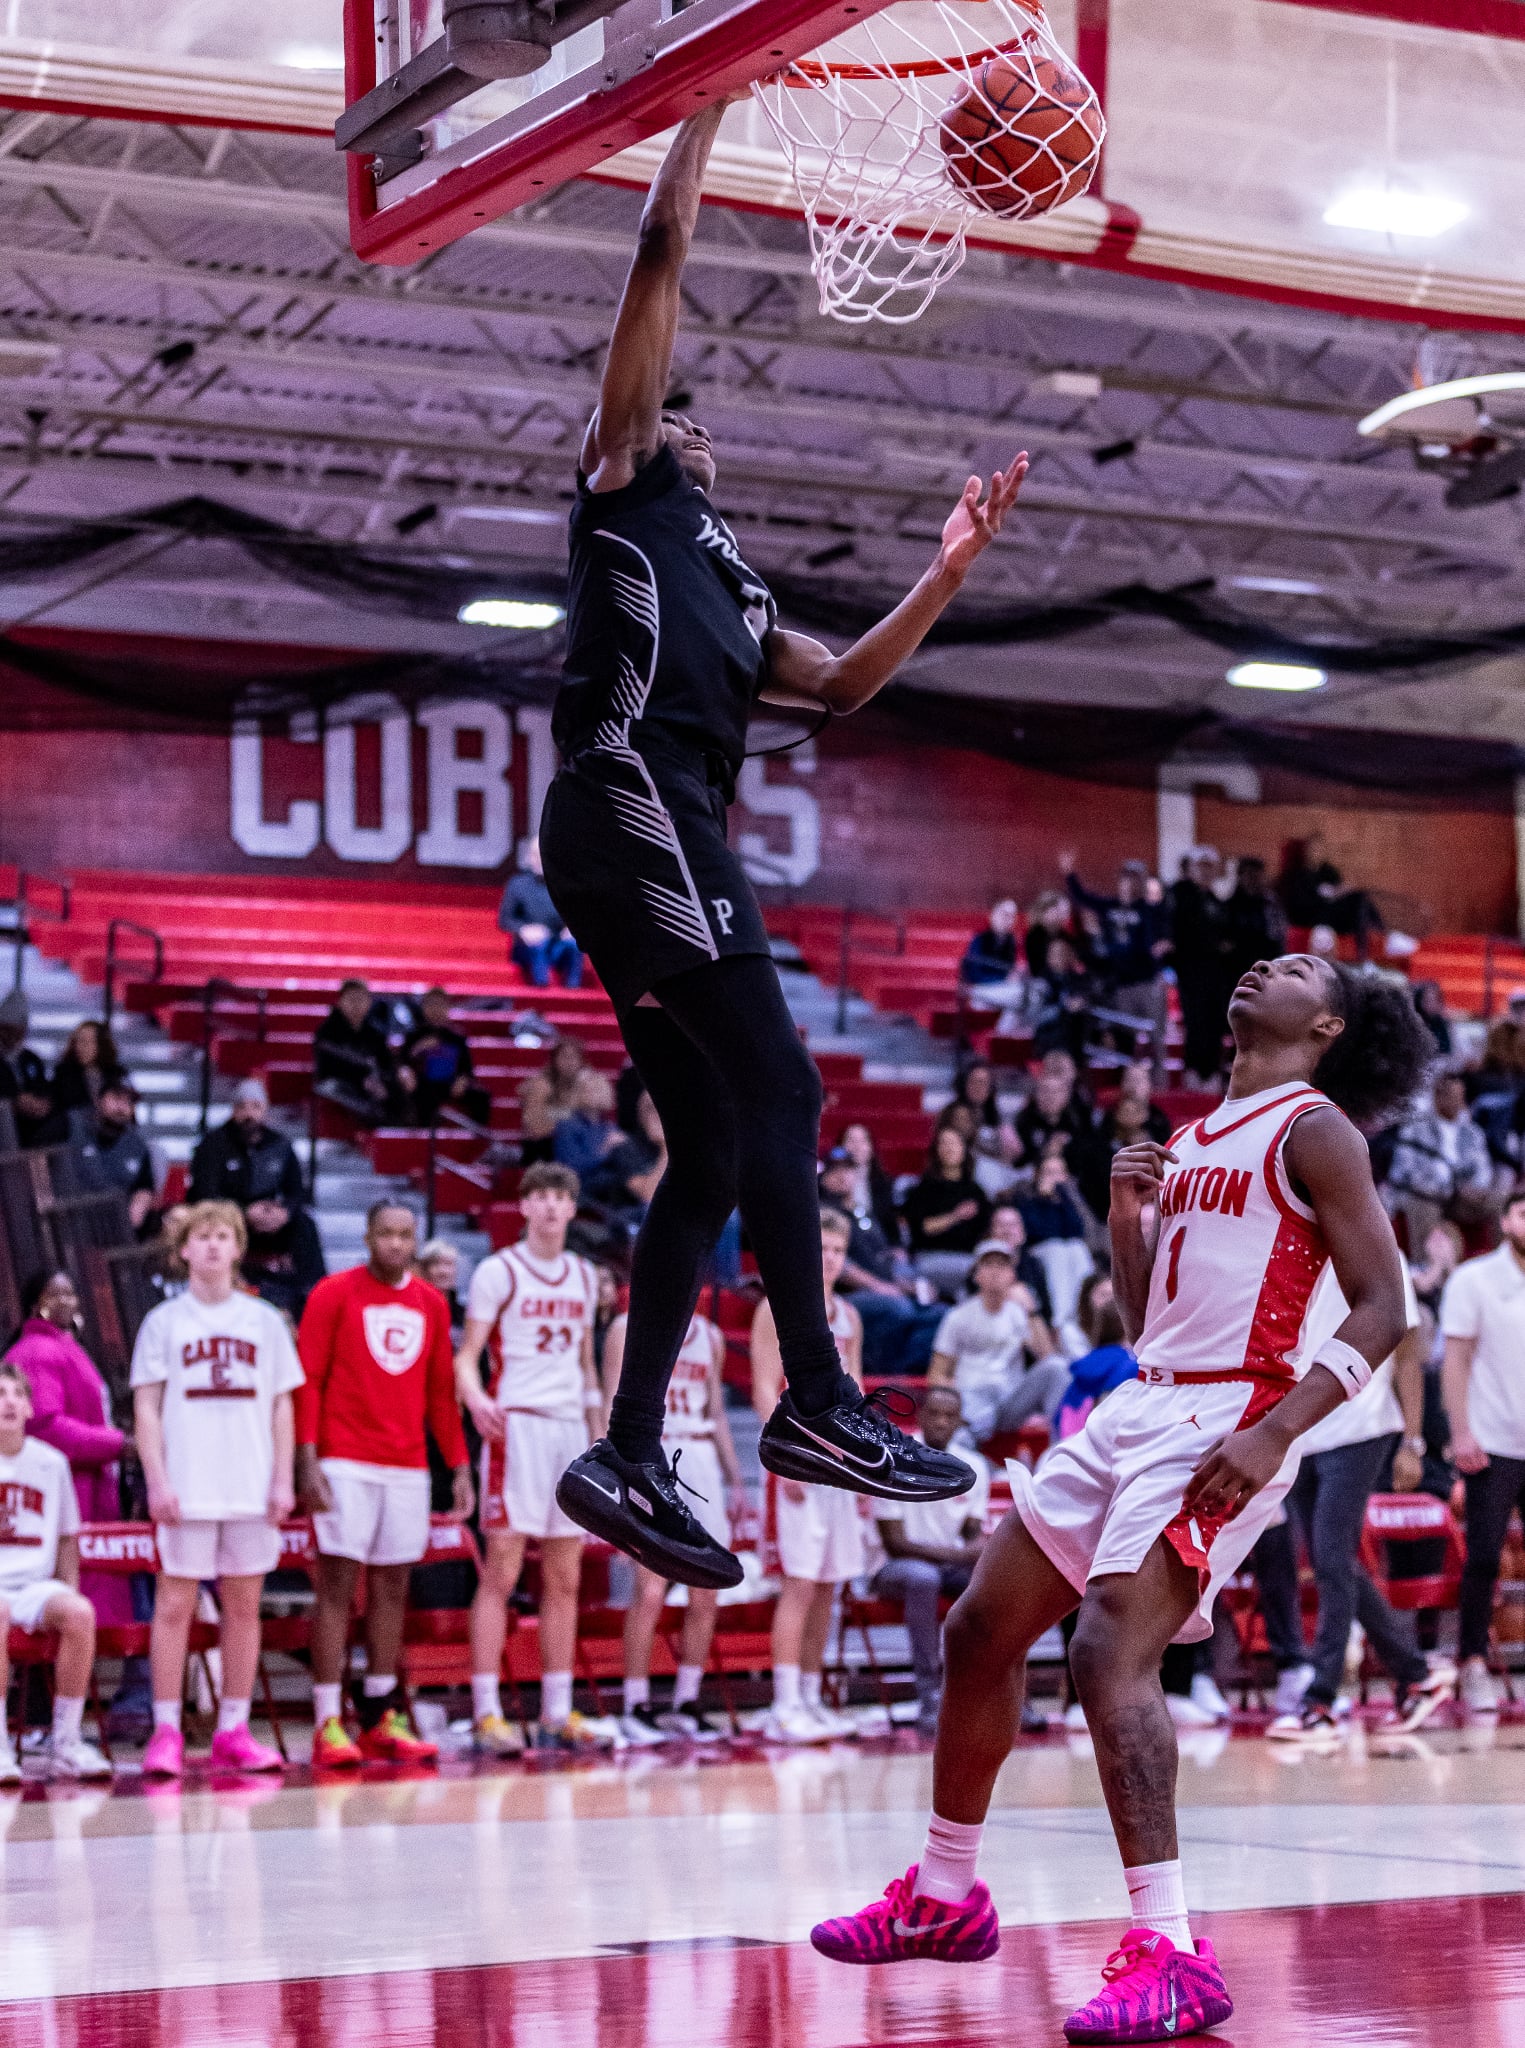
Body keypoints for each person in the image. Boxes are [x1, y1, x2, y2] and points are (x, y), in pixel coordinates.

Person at [811, 950, 1431, 2044]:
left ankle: (1171, 1950)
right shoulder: (1190, 1137)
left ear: (1327, 1025)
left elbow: (1385, 1304)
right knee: (979, 1628)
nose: (1261, 965)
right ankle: (944, 1894)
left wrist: (1275, 1431)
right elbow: (1147, 1327)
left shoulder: (1315, 1129)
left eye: (1294, 967)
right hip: (1144, 1400)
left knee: (1108, 1649)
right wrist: (1122, 1216)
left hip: (1232, 1411)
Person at [543, 108, 1002, 1585]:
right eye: (669, 408)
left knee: (716, 1144)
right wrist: (707, 94)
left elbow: (846, 683)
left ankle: (627, 1449)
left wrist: (944, 573)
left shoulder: (736, 588)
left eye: (692, 419)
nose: (688, 419)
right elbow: (660, 249)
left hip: (653, 824)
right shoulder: (624, 482)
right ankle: (814, 1396)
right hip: (630, 796)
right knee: (788, 1088)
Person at [295, 1201, 473, 1769]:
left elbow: (441, 1391)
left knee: (394, 1588)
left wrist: (460, 1464)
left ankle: (379, 1712)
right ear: (368, 1237)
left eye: (405, 1235)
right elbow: (308, 1380)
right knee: (337, 1589)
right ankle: (327, 1721)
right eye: (386, 1234)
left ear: (414, 1240)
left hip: (407, 1464)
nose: (396, 1243)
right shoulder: (332, 1293)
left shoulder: (431, 1303)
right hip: (344, 1459)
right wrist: (307, 1458)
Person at [130, 1201, 303, 1779]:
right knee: (174, 1606)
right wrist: (157, 1479)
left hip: (250, 1482)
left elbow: (282, 1405)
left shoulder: (265, 1321)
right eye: (201, 1236)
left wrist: (283, 1478)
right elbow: (147, 1408)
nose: (211, 1245)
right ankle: (166, 1730)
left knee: (244, 1607)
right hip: (187, 1483)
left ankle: (233, 1728)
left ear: (238, 1248)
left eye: (222, 1236)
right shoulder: (163, 1322)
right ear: (183, 1249)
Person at [455, 1163, 607, 1753]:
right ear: (522, 1206)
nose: (548, 1206)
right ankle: (487, 1712)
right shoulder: (500, 1270)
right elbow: (467, 1355)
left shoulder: (584, 1275)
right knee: (503, 1570)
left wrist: (599, 1437)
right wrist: (476, 1399)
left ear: (571, 1208)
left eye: (558, 1196)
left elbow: (587, 1365)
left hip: (568, 1429)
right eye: (538, 1196)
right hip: (516, 1427)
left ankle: (556, 1712)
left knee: (565, 1576)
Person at [1268, 1261, 1451, 1742]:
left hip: (1361, 1426)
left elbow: (1407, 1353)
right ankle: (1416, 1676)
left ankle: (1320, 1701)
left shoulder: (1376, 1247)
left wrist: (1413, 1442)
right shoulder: (1286, 1244)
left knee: (1331, 1557)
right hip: (1299, 1429)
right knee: (1334, 1562)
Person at [752, 1211, 868, 1745]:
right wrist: (784, 1454)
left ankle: (811, 1697)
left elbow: (856, 1395)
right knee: (798, 1584)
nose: (831, 1258)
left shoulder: (849, 1316)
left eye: (839, 1250)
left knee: (828, 1585)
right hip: (798, 1458)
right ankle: (784, 1705)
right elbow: (762, 1388)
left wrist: (863, 1468)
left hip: (839, 1466)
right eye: (823, 1247)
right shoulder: (773, 1308)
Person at [606, 1303, 743, 1744]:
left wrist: (735, 1480)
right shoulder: (627, 1327)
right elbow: (610, 1408)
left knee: (707, 1589)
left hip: (700, 1457)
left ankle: (686, 1701)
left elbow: (716, 1413)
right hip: (654, 1457)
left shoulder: (711, 1337)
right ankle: (635, 1703)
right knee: (649, 1591)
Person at [0, 1360, 112, 1782]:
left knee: (81, 1613)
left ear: (31, 1409)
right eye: (1, 1394)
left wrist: (69, 1590)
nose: (10, 1403)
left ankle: (66, 1740)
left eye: (18, 1394)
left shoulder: (52, 1463)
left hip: (36, 1586)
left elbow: (67, 1538)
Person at [1440, 1190, 1525, 1715]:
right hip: (1492, 1442)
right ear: (1505, 1221)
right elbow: (1455, 1361)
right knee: (1485, 1557)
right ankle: (1471, 1662)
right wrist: (1461, 1432)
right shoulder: (1474, 1279)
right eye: (1523, 1212)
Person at [9, 1272, 130, 1635]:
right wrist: (119, 1444)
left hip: (87, 1487)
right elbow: (46, 1427)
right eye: (55, 1294)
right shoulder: (37, 1352)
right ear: (36, 1303)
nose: (66, 1301)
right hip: (68, 1491)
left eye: (70, 1293)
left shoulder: (63, 1346)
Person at [870, 1384, 989, 1732]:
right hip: (889, 1569)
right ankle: (930, 1696)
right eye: (934, 1414)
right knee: (924, 1578)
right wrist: (957, 1554)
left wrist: (978, 1547)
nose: (940, 1422)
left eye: (949, 1416)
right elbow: (894, 1543)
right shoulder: (892, 1458)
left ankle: (998, 1693)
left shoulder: (974, 1465)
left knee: (990, 1582)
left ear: (959, 1422)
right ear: (920, 1416)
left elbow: (971, 1531)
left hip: (946, 1565)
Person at [188, 1078, 325, 1319]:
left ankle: (314, 1295)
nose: (249, 1114)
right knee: (214, 1224)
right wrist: (244, 1211)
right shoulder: (213, 1144)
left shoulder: (280, 1145)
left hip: (270, 1223)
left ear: (266, 1110)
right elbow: (204, 1193)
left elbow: (298, 1192)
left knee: (305, 1224)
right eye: (242, 1107)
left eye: (255, 1106)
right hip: (229, 1219)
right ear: (233, 1110)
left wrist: (284, 1212)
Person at [819, 1147, 942, 1378]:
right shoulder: (824, 1214)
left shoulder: (862, 1212)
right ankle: (879, 1371)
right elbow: (837, 1263)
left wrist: (909, 1286)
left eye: (847, 1170)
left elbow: (884, 1257)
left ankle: (903, 1371)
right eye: (835, 1171)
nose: (842, 1176)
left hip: (886, 1285)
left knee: (938, 1314)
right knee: (898, 1309)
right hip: (845, 1293)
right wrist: (880, 1287)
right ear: (824, 1177)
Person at [927, 1240, 1065, 1444]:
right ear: (976, 1275)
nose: (995, 1272)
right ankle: (969, 1442)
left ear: (1012, 1274)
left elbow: (1046, 1355)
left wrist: (1032, 1310)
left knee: (1057, 1367)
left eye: (1002, 1265)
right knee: (963, 1434)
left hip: (1010, 1401)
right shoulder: (958, 1316)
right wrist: (959, 1397)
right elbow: (936, 1374)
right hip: (972, 1399)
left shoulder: (1019, 1314)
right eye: (988, 1265)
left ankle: (1060, 1446)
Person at [1062, 854, 1172, 1082]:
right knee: (1125, 1037)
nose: (1130, 883)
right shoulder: (1109, 906)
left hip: (1148, 981)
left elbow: (1169, 932)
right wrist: (1069, 873)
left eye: (1136, 878)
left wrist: (1164, 944)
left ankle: (1160, 1084)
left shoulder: (1150, 909)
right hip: (1122, 984)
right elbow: (1083, 898)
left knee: (1156, 1038)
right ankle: (1128, 1083)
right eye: (1127, 877)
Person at [1385, 1070, 1501, 1255]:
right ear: (1438, 1097)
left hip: (1461, 1197)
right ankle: (1426, 1267)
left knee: (1501, 1201)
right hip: (1426, 1194)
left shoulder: (1472, 1132)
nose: (1457, 1102)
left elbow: (1483, 1169)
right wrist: (1441, 1188)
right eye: (1452, 1096)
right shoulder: (1415, 1128)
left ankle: (1503, 1258)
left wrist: (1475, 1188)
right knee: (1422, 1204)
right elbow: (1403, 1171)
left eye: (1460, 1096)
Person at [1169, 848, 1234, 1089]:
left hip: (1215, 976)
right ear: (1191, 869)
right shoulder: (1179, 896)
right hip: (1191, 974)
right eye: (1201, 866)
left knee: (1215, 1024)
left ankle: (1211, 1074)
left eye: (1210, 866)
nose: (1206, 871)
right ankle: (1194, 1075)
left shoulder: (1218, 902)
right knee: (1196, 1024)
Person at [900, 1126, 992, 1296]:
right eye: (944, 1143)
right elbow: (923, 1228)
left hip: (969, 1256)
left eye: (955, 1143)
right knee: (979, 1275)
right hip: (931, 1256)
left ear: (964, 1149)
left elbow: (985, 1231)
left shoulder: (976, 1191)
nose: (949, 1148)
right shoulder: (924, 1189)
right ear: (936, 1150)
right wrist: (956, 1216)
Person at [67, 1074, 159, 1234]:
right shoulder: (70, 1125)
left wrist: (138, 1206)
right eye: (116, 1098)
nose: (122, 1107)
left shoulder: (137, 1145)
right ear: (98, 1099)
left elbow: (144, 1186)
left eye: (129, 1102)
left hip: (114, 1226)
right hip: (70, 1220)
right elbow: (36, 1157)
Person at [398, 987, 492, 1129]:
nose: (436, 1009)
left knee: (481, 1096)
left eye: (440, 1004)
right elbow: (402, 1062)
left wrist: (462, 1080)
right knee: (420, 1095)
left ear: (448, 1007)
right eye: (431, 1004)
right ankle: (422, 1132)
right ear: (424, 1007)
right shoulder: (414, 1035)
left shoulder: (456, 1037)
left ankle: (478, 1135)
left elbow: (467, 1069)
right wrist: (418, 1049)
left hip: (450, 1083)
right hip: (423, 1084)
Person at [499, 836, 584, 989]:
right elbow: (505, 920)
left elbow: (579, 917)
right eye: (535, 855)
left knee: (574, 944)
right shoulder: (518, 884)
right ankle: (541, 990)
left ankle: (573, 991)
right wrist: (524, 929)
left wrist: (572, 929)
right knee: (538, 944)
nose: (539, 859)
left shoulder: (565, 885)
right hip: (528, 947)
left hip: (557, 944)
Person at [314, 980, 399, 1122]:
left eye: (360, 999)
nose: (356, 1005)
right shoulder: (327, 1032)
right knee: (334, 1089)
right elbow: (327, 1069)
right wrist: (360, 1081)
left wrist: (382, 1082)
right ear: (340, 1002)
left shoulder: (375, 1033)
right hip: (339, 1085)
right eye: (351, 999)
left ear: (368, 1003)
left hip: (371, 1084)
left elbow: (386, 1064)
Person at [518, 1038, 587, 1167]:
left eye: (574, 1057)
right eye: (565, 1056)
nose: (569, 1062)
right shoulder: (541, 1085)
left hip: (574, 1145)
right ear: (554, 1060)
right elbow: (534, 1124)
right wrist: (567, 1116)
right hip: (543, 1147)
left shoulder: (586, 1083)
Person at [48, 1021, 126, 1127]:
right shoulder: (64, 1074)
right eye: (77, 1042)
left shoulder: (117, 1075)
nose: (80, 1047)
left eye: (86, 1042)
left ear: (101, 1045)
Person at [552, 1068, 623, 1184]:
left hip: (611, 1185)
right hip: (580, 1187)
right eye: (587, 1090)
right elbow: (572, 1166)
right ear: (577, 1093)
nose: (592, 1094)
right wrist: (604, 1151)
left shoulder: (610, 1127)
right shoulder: (567, 1126)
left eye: (597, 1090)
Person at [0, 990, 52, 1146]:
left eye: (18, 1030)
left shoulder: (31, 1059)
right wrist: (14, 1103)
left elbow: (43, 1087)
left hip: (33, 1126)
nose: (12, 1036)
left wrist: (43, 1103)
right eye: (7, 1029)